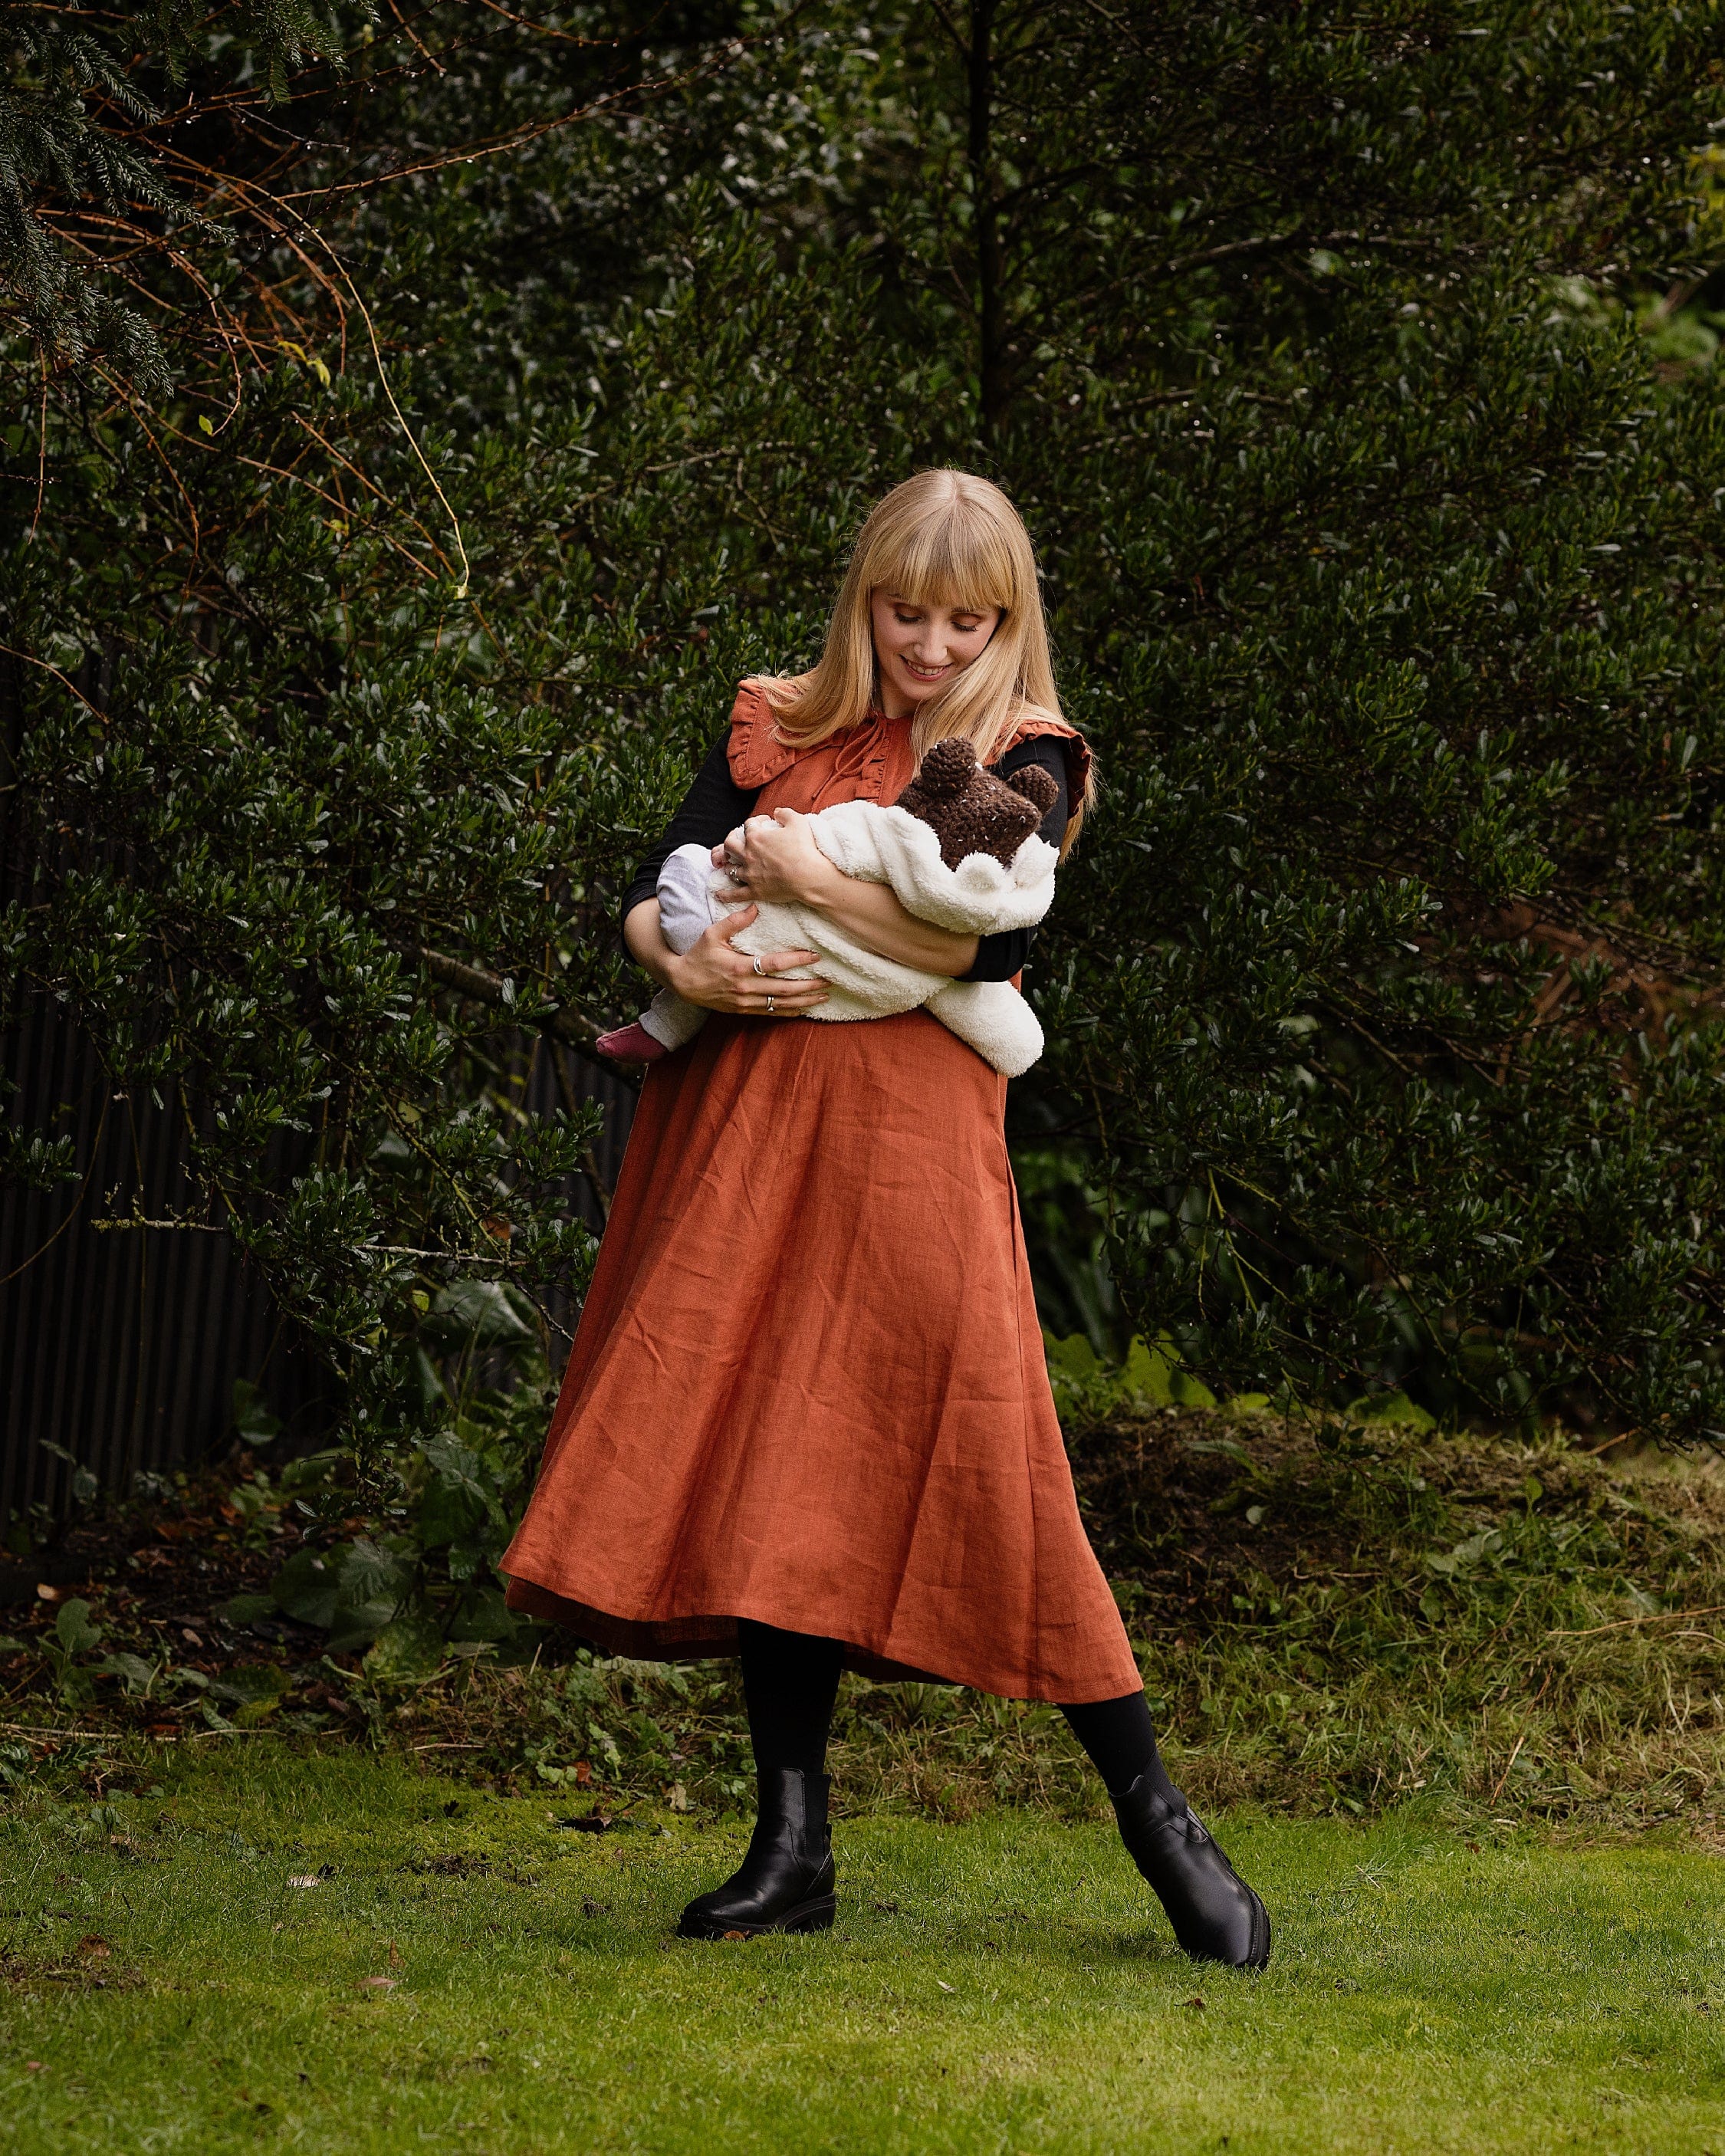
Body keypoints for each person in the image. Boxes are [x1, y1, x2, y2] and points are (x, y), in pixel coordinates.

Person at [501, 468, 1270, 1970]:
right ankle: (791, 1849)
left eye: (962, 620)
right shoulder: (776, 720)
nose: (928, 646)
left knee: (994, 1453)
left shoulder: (1025, 754)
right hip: (741, 1123)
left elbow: (981, 941)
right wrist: (684, 963)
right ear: (863, 600)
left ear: (1006, 619)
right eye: (903, 612)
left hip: (910, 1141)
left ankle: (1158, 1817)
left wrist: (804, 871)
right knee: (772, 1459)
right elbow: (652, 881)